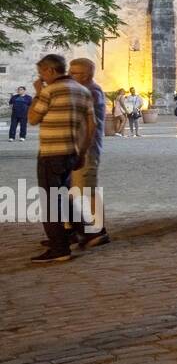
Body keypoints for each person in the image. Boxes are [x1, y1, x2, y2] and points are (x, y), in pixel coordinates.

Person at [27, 54, 95, 264]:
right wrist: (82, 152)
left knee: (50, 201)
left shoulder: (48, 91)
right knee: (64, 197)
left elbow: (32, 119)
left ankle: (59, 248)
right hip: (71, 151)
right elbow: (91, 125)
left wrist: (38, 93)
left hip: (51, 153)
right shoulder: (82, 91)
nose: (41, 78)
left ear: (50, 70)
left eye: (42, 73)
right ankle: (87, 231)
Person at [67, 58, 108, 248]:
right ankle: (75, 230)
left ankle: (98, 231)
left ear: (86, 74)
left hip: (87, 148)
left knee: (88, 188)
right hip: (76, 147)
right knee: (73, 190)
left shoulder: (92, 91)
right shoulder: (82, 90)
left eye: (73, 72)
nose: (69, 75)